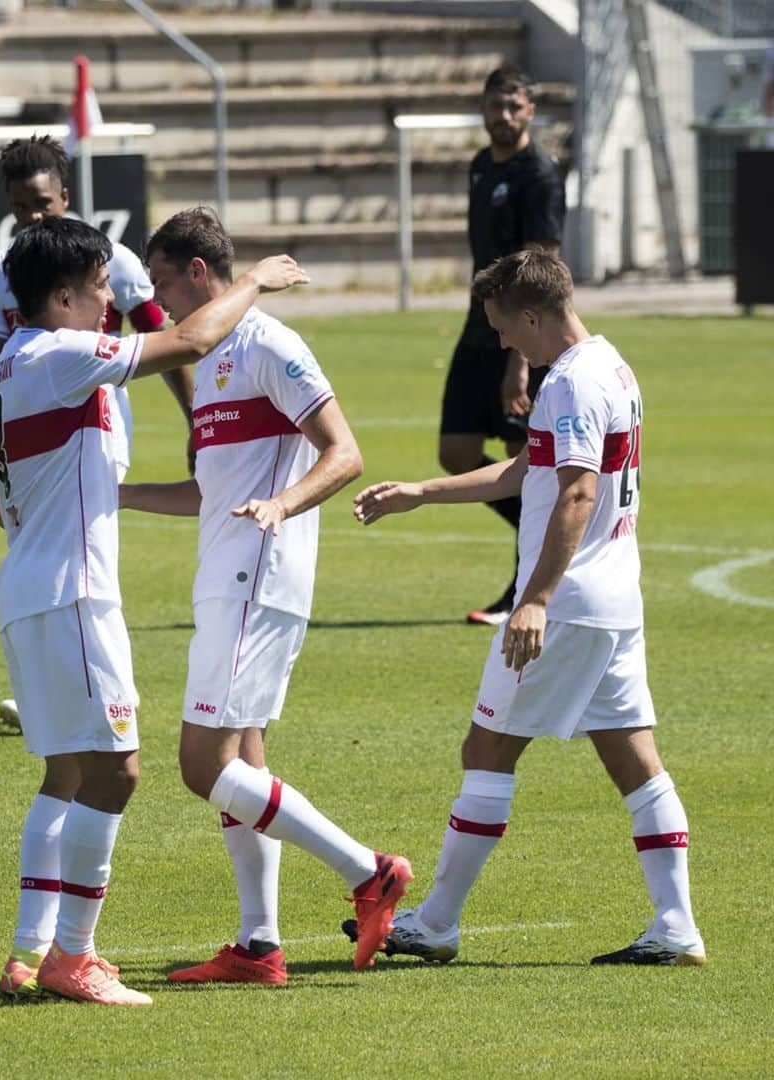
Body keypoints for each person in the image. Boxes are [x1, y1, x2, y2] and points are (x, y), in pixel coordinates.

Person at [0, 215, 307, 1006]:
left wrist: (66, 502)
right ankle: (73, 957)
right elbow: (189, 343)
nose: (111, 306)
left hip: (28, 587)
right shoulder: (59, 355)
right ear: (61, 296)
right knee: (119, 772)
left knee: (67, 770)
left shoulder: (0, 372)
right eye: (99, 292)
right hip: (73, 593)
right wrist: (255, 281)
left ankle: (29, 951)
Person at [348, 249, 704, 967]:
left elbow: (575, 492)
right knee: (637, 762)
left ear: (535, 314)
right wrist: (422, 490)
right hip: (614, 598)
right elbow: (527, 470)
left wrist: (533, 598)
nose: (505, 343)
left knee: (486, 751)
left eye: (506, 329)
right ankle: (677, 926)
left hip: (568, 604)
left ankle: (437, 923)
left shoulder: (571, 383)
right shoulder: (610, 365)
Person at [118, 208, 412, 985]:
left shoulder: (269, 344)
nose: (157, 298)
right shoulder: (212, 359)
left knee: (199, 764)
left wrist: (282, 507)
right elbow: (210, 494)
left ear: (201, 274)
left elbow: (344, 453)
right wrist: (117, 494)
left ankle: (369, 869)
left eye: (163, 281)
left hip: (258, 573)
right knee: (244, 758)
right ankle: (259, 946)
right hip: (226, 572)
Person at [0, 135, 194, 730]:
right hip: (32, 416)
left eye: (41, 203)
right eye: (20, 206)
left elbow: (160, 338)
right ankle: (74, 677)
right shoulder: (7, 267)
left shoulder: (112, 259)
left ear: (64, 196)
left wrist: (195, 419)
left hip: (93, 425)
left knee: (79, 543)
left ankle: (68, 677)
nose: (31, 216)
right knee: (71, 550)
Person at [441, 65, 566, 625]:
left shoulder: (538, 173)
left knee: (531, 463)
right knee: (456, 451)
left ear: (530, 111)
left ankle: (527, 590)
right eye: (496, 105)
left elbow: (545, 266)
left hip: (523, 336)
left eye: (515, 107)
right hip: (479, 325)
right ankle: (536, 531)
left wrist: (521, 360)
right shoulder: (478, 166)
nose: (505, 115)